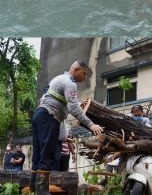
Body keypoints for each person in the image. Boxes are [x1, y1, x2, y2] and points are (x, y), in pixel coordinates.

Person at [31, 61, 104, 195]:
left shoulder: (58, 78)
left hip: (39, 115)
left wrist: (78, 104)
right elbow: (73, 107)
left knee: (38, 154)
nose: (85, 77)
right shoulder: (70, 83)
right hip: (49, 116)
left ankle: (33, 188)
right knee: (48, 154)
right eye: (84, 73)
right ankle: (41, 191)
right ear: (76, 70)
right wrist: (91, 124)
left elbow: (66, 102)